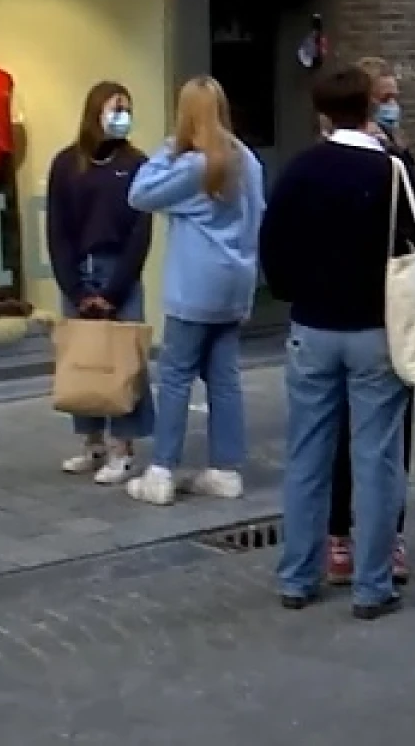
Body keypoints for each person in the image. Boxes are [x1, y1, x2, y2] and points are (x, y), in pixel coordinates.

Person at [262, 64, 415, 620]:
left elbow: (273, 247)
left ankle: (298, 576)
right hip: (376, 330)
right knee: (377, 459)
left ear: (323, 114)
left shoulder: (300, 171)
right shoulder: (394, 170)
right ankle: (372, 586)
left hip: (313, 327)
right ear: (371, 110)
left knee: (308, 454)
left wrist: (296, 292)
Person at [124, 76, 265, 506]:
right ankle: (225, 468)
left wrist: (170, 147)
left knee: (177, 375)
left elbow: (139, 194)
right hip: (235, 283)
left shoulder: (193, 165)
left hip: (194, 286)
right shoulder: (248, 161)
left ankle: (162, 469)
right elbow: (259, 214)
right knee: (224, 377)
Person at [325, 58, 415, 583]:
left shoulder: (396, 158)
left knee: (390, 437)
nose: (391, 105)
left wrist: (403, 154)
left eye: (394, 96)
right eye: (383, 97)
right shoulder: (350, 160)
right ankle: (343, 535)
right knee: (350, 436)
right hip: (367, 316)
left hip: (391, 315)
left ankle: (386, 536)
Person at [47, 81, 155, 484]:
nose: (122, 115)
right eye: (114, 108)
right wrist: (75, 288)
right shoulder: (66, 164)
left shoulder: (138, 164)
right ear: (95, 112)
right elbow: (57, 229)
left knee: (124, 360)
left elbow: (140, 232)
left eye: (127, 108)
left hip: (118, 271)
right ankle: (90, 441)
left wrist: (113, 291)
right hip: (79, 270)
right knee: (82, 356)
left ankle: (123, 448)